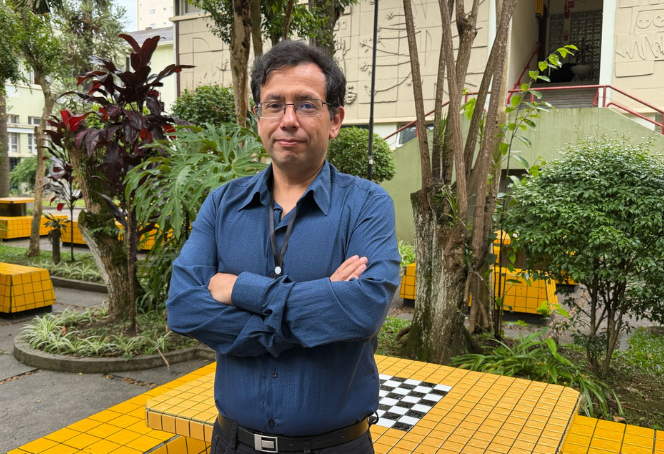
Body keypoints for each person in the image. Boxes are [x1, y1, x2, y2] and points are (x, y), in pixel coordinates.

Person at [166, 40, 400, 454]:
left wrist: (240, 290)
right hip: (233, 444)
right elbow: (184, 307)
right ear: (259, 117)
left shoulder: (366, 204)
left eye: (306, 105)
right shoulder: (222, 204)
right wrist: (319, 304)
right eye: (274, 105)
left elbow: (362, 309)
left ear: (335, 119)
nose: (288, 120)